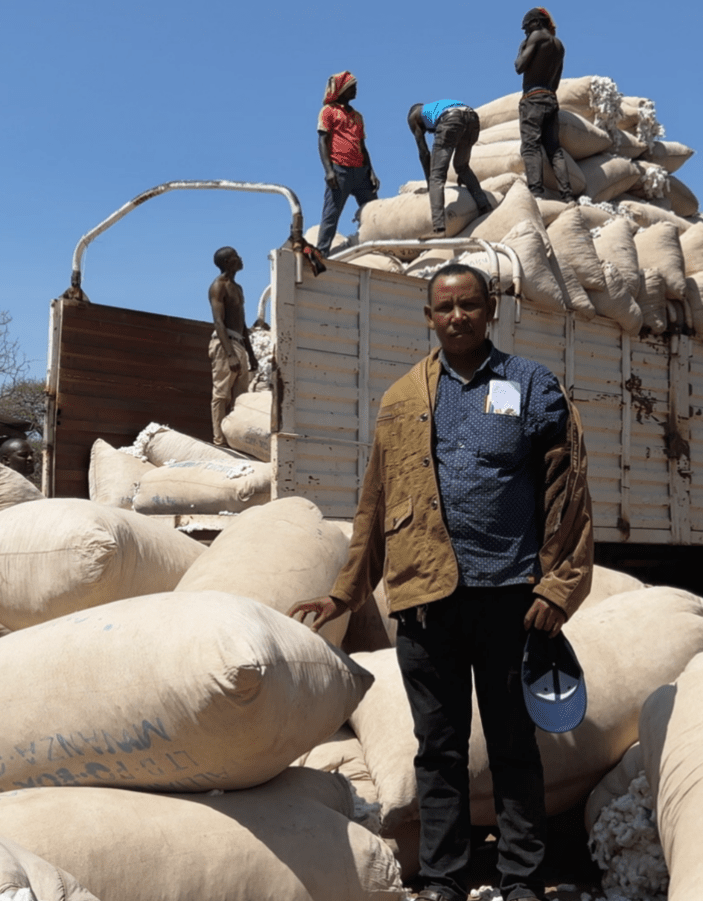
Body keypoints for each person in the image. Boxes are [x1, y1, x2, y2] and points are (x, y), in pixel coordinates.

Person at [290, 263, 593, 901]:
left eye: (469, 305)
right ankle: (446, 878)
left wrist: (557, 587)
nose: (457, 317)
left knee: (513, 743)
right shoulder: (401, 398)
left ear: (490, 310)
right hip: (427, 603)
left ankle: (520, 879)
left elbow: (569, 493)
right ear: (429, 317)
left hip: (511, 595)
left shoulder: (530, 384)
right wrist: (345, 592)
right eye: (444, 307)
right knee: (438, 748)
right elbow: (373, 504)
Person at [315, 70, 380, 255]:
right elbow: (322, 142)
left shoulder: (357, 116)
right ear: (342, 89)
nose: (355, 90)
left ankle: (378, 246)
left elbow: (362, 145)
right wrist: (329, 171)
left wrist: (371, 172)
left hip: (361, 171)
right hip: (339, 170)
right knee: (331, 214)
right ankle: (322, 254)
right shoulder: (329, 112)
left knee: (373, 211)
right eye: (352, 87)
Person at [407, 100, 493, 238]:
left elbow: (424, 153)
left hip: (451, 119)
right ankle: (485, 206)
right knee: (462, 167)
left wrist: (430, 184)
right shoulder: (436, 107)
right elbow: (458, 129)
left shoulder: (414, 116)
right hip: (472, 118)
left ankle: (439, 228)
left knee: (437, 177)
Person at [515, 7, 575, 202]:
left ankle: (536, 192)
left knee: (530, 146)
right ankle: (567, 195)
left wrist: (522, 47)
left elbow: (519, 66)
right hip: (550, 97)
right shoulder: (559, 45)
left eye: (526, 28)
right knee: (554, 150)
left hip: (533, 98)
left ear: (536, 23)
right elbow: (556, 82)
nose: (526, 32)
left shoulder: (535, 37)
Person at [208, 246, 258, 446]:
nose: (241, 259)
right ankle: (219, 439)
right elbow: (219, 322)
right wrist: (229, 354)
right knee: (221, 394)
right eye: (236, 256)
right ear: (229, 261)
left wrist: (251, 354)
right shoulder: (218, 286)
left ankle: (236, 441)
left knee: (241, 396)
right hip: (225, 343)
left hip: (239, 343)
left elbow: (243, 323)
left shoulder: (238, 288)